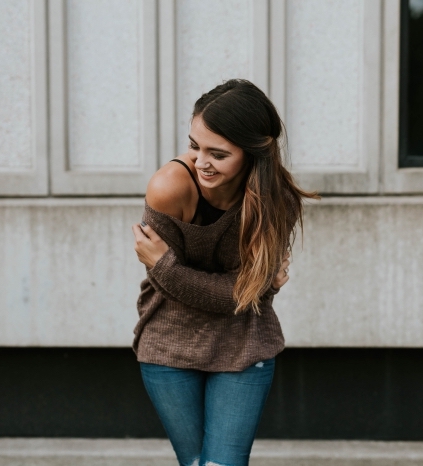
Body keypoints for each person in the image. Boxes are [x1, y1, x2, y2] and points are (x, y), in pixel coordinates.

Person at [131, 79, 317, 466]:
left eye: (218, 153)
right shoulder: (169, 187)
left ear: (254, 154)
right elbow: (242, 289)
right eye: (194, 145)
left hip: (245, 343)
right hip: (169, 344)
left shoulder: (276, 201)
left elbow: (245, 293)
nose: (201, 162)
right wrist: (254, 287)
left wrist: (166, 266)